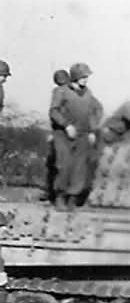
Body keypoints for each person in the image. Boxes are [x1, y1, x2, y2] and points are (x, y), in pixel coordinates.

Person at [49, 62, 103, 211]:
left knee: (79, 168)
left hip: (83, 134)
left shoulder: (88, 93)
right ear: (75, 77)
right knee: (64, 164)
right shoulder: (61, 91)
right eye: (83, 76)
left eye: (87, 76)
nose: (85, 79)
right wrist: (66, 125)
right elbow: (54, 111)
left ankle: (72, 198)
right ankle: (60, 197)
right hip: (63, 134)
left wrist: (92, 129)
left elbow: (97, 110)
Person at [44, 69, 70, 203]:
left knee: (58, 163)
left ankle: (55, 194)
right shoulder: (71, 91)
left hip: (62, 131)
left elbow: (54, 113)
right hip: (66, 131)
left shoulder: (59, 91)